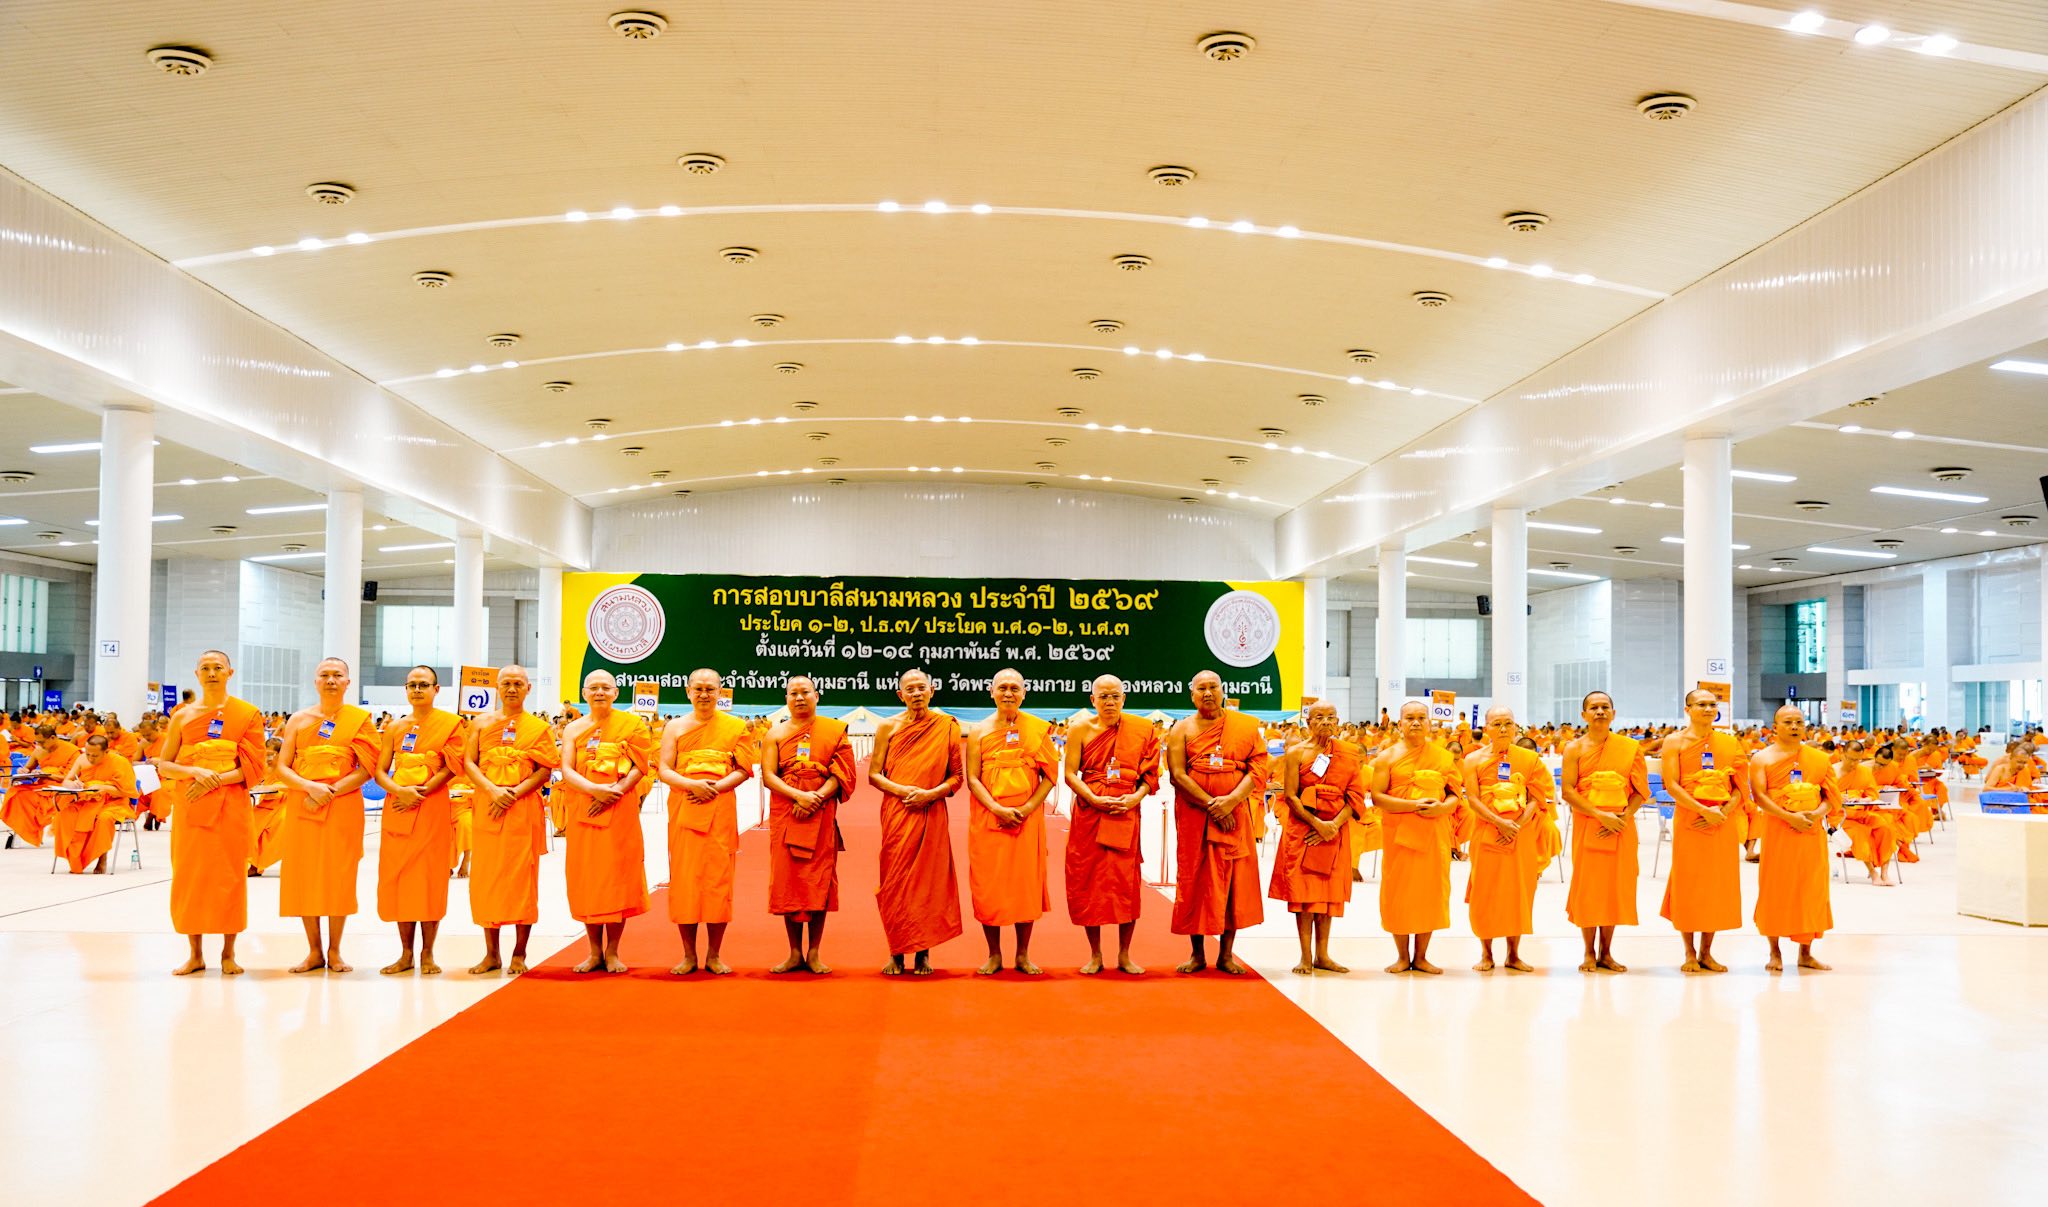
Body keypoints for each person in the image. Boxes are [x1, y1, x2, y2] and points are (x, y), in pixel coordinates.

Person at [154, 650, 267, 975]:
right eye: (206, 668)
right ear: (197, 673)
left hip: (229, 805)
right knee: (191, 878)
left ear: (230, 672)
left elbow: (254, 767)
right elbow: (165, 763)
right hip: (191, 807)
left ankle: (229, 954)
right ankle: (195, 954)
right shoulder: (182, 716)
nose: (212, 672)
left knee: (229, 878)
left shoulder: (246, 714)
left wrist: (214, 780)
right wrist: (197, 774)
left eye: (218, 667)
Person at [274, 657, 379, 975]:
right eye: (324, 675)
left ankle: (335, 951)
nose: (331, 680)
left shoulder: (360, 719)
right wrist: (309, 787)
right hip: (302, 804)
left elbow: (367, 768)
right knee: (305, 877)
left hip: (342, 806)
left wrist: (328, 792)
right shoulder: (298, 720)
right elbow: (281, 766)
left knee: (338, 877)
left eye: (338, 675)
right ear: (315, 681)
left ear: (348, 682)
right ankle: (314, 951)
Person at [1165, 670, 1267, 975]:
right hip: (1196, 815)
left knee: (1232, 883)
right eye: (1201, 689)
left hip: (1234, 814)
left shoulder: (1245, 726)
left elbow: (1259, 766)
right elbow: (1178, 774)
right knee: (1195, 882)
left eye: (1213, 687)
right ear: (1192, 695)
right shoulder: (1181, 729)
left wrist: (1232, 801)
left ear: (1223, 691)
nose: (1208, 693)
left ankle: (1226, 954)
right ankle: (1197, 954)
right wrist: (1213, 806)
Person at [461, 665, 559, 977]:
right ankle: (491, 954)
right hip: (488, 806)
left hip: (521, 809)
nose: (512, 689)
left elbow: (544, 770)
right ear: (497, 688)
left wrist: (514, 792)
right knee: (487, 880)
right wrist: (492, 789)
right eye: (506, 683)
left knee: (521, 880)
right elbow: (469, 762)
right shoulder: (481, 723)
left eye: (518, 683)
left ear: (528, 689)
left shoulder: (537, 728)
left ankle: (519, 953)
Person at [656, 668, 755, 976]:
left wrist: (714, 788)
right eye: (698, 689)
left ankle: (714, 954)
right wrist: (692, 785)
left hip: (719, 810)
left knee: (717, 883)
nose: (704, 694)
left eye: (710, 689)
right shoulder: (674, 727)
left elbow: (743, 769)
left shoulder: (736, 726)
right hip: (685, 810)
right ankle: (688, 955)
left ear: (720, 692)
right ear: (688, 691)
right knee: (685, 882)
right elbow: (664, 769)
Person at [867, 668, 965, 975]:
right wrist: (902, 790)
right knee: (894, 881)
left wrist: (930, 794)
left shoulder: (946, 726)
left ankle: (923, 953)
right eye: (909, 689)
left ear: (932, 690)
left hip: (931, 811)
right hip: (898, 812)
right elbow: (874, 774)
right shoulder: (888, 727)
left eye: (921, 688)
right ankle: (896, 952)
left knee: (927, 883)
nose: (916, 694)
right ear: (900, 695)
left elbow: (957, 777)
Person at [371, 665, 468, 975]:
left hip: (431, 807)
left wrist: (423, 790)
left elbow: (452, 766)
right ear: (406, 689)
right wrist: (400, 791)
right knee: (399, 881)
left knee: (428, 881)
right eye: (412, 684)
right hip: (398, 807)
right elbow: (380, 770)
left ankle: (428, 953)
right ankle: (405, 954)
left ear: (436, 690)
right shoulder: (395, 728)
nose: (417, 689)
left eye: (424, 684)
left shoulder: (451, 724)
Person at [963, 668, 1058, 975]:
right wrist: (995, 808)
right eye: (1002, 688)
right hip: (988, 818)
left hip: (1027, 821)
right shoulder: (978, 731)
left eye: (1014, 688)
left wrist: (1029, 807)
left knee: (1024, 886)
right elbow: (973, 779)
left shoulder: (1037, 729)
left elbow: (1049, 776)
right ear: (991, 692)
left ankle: (1022, 954)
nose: (1008, 693)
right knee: (988, 886)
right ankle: (993, 954)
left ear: (1024, 693)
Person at [1062, 674, 1158, 976]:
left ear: (1124, 698)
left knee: (1124, 885)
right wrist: (1092, 798)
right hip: (1090, 814)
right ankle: (1095, 954)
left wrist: (1134, 799)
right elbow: (1070, 774)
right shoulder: (1079, 729)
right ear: (1093, 700)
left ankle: (1125, 954)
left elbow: (1151, 774)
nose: (1110, 702)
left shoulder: (1142, 729)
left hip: (1124, 814)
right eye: (1103, 696)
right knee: (1087, 882)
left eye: (1115, 696)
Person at [760, 675, 856, 974]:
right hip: (787, 814)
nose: (799, 698)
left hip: (820, 813)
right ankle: (793, 952)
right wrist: (798, 797)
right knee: (790, 884)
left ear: (817, 696)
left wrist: (815, 797)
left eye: (805, 693)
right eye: (793, 693)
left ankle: (814, 952)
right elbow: (769, 775)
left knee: (819, 883)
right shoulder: (775, 734)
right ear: (786, 698)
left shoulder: (833, 730)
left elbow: (842, 772)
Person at [560, 670, 652, 974]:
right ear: (584, 693)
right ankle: (593, 951)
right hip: (585, 810)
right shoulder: (573, 729)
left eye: (605, 688)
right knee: (589, 878)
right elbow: (567, 769)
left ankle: (613, 951)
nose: (599, 692)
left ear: (616, 692)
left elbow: (641, 765)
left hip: (619, 809)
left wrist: (615, 792)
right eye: (594, 688)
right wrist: (593, 790)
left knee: (617, 878)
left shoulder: (632, 724)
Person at [1656, 689, 1748, 973]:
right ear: (1688, 709)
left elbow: (1739, 787)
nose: (1708, 709)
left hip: (1721, 820)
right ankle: (1689, 952)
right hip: (1690, 820)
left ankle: (1708, 952)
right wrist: (1702, 810)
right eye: (1701, 704)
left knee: (1715, 885)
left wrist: (1721, 811)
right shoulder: (1674, 742)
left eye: (1712, 704)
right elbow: (1672, 784)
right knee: (1690, 884)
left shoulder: (1729, 742)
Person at [1269, 701, 1364, 974]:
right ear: (1308, 722)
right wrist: (1316, 824)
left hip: (1334, 831)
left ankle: (1323, 955)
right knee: (1304, 895)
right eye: (1318, 717)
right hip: (1303, 830)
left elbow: (1355, 795)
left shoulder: (1347, 753)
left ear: (1338, 721)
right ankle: (1305, 956)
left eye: (1330, 717)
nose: (1325, 722)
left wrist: (1332, 825)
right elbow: (1290, 795)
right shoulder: (1296, 753)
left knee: (1327, 896)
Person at [1461, 706, 1557, 973]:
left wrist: (1515, 824)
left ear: (1516, 727)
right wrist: (1499, 822)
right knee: (1486, 892)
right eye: (1497, 724)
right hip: (1487, 832)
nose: (1503, 728)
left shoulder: (1529, 759)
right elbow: (1473, 798)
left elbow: (1538, 797)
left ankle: (1514, 954)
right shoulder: (1473, 760)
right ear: (1486, 728)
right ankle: (1486, 953)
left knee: (1519, 893)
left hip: (1520, 834)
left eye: (1508, 723)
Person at [1370, 700, 1462, 975]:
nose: (1416, 722)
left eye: (1422, 717)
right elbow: (1377, 796)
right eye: (1409, 718)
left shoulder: (1444, 757)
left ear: (1429, 723)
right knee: (1399, 893)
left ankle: (1421, 956)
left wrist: (1443, 807)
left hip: (1433, 833)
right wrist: (1415, 805)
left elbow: (1455, 794)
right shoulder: (1386, 757)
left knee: (1429, 892)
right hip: (1399, 834)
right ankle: (1401, 956)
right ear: (1400, 724)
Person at [1562, 691, 1648, 974]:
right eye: (1594, 707)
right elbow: (1568, 791)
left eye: (1605, 707)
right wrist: (1599, 814)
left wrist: (1624, 816)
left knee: (1612, 889)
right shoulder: (1574, 749)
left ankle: (1607, 953)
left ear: (1613, 713)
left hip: (1621, 826)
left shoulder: (1629, 748)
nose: (1600, 711)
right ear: (1584, 714)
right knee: (1590, 889)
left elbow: (1639, 791)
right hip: (1589, 823)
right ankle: (1588, 952)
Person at [1750, 705, 1838, 973]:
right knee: (1776, 889)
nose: (1794, 726)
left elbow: (1830, 797)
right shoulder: (1762, 759)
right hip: (1780, 832)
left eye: (1799, 721)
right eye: (1788, 722)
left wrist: (1815, 814)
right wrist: (1789, 818)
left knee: (1811, 890)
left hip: (1811, 832)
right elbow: (1760, 797)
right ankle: (1774, 952)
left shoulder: (1819, 759)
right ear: (1775, 726)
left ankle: (1806, 953)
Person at [53, 733, 138, 874]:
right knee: (65, 814)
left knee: (103, 819)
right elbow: (66, 781)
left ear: (106, 751)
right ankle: (75, 859)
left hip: (113, 803)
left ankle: (102, 858)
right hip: (86, 801)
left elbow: (129, 792)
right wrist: (73, 784)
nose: (90, 758)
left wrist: (104, 788)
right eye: (88, 754)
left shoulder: (120, 762)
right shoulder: (81, 759)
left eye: (95, 755)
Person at [2, 725, 76, 849]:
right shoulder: (39, 750)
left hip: (61, 788)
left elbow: (72, 777)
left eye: (42, 742)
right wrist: (23, 770)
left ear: (52, 737)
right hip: (41, 786)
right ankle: (27, 831)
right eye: (37, 742)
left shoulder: (72, 751)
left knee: (53, 799)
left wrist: (50, 774)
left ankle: (34, 830)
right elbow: (28, 768)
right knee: (15, 794)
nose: (39, 745)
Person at [1835, 740, 1897, 885]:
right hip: (1841, 817)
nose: (1853, 764)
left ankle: (1885, 874)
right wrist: (1838, 797)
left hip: (1862, 813)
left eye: (1857, 760)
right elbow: (1823, 795)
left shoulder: (1864, 771)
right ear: (1842, 755)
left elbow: (1872, 793)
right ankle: (1873, 874)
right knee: (1860, 833)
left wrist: (1866, 799)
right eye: (1850, 759)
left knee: (1886, 828)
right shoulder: (1833, 771)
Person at [247, 737, 287, 876]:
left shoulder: (287, 766)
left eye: (271, 754)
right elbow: (256, 781)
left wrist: (276, 786)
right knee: (250, 824)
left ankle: (258, 864)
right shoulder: (264, 767)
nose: (268, 758)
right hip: (266, 803)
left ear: (280, 753)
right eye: (266, 754)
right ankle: (253, 864)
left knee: (280, 825)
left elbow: (293, 784)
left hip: (283, 804)